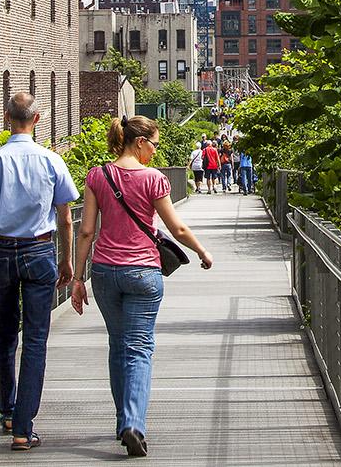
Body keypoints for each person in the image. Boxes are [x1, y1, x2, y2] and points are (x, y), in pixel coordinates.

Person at [70, 116, 216, 457]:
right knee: (138, 348)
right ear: (139, 143)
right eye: (153, 144)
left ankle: (124, 420)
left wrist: (78, 278)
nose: (155, 150)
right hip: (143, 273)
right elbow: (176, 228)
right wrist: (202, 251)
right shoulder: (154, 179)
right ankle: (133, 423)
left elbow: (87, 231)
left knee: (118, 345)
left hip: (105, 272)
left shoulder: (97, 175)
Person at [0, 93, 79, 451]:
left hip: (0, 252)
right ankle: (24, 428)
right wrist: (67, 260)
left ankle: (8, 411)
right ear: (38, 118)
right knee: (35, 340)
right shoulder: (52, 160)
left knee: (4, 336)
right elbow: (65, 217)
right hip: (39, 250)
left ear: (6, 118)